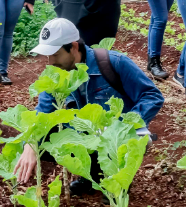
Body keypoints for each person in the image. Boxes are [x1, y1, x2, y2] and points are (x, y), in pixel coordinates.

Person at [13, 18, 163, 194]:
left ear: (74, 47)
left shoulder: (114, 63)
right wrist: (30, 145)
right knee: (41, 140)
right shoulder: (55, 75)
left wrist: (123, 125)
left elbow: (152, 96)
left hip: (116, 138)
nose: (50, 62)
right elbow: (41, 114)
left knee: (127, 141)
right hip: (84, 137)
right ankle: (91, 175)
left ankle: (118, 177)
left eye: (55, 54)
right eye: (48, 55)